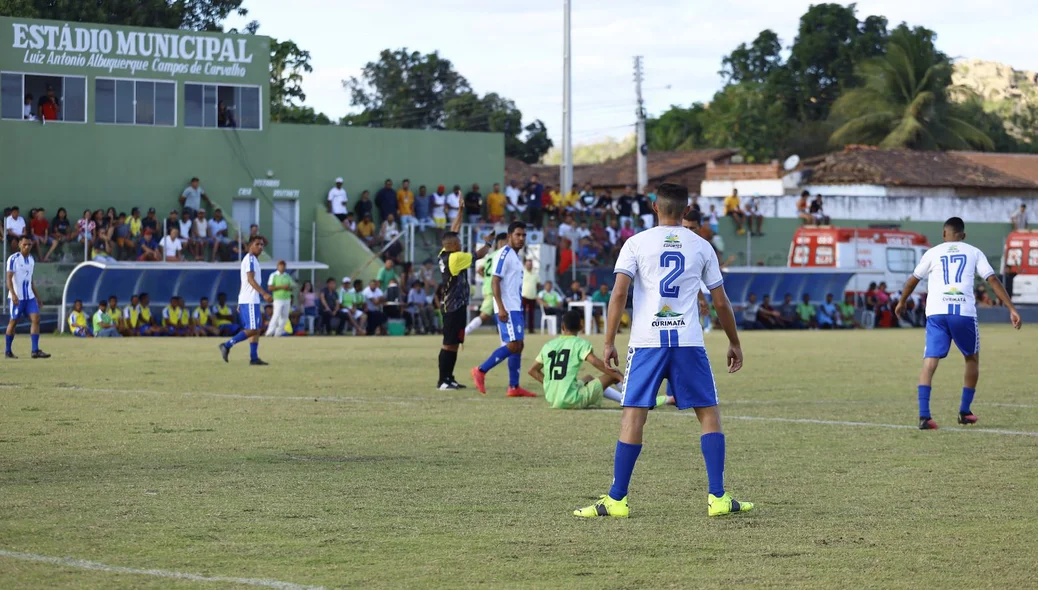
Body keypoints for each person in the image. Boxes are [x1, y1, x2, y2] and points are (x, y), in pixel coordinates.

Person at [573, 182, 752, 519]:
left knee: (633, 414)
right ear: (686, 211)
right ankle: (717, 497)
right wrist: (734, 341)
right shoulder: (702, 246)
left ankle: (617, 500)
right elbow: (719, 301)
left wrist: (609, 341)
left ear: (655, 207)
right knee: (708, 413)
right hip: (687, 341)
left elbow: (618, 294)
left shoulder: (635, 243)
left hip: (646, 342)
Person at [894, 216, 1022, 430]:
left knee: (930, 360)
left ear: (944, 234)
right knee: (971, 358)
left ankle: (924, 416)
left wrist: (901, 302)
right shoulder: (973, 251)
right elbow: (992, 279)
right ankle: (964, 411)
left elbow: (913, 280)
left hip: (936, 312)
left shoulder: (932, 253)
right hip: (963, 311)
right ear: (963, 236)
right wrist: (1011, 308)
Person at [471, 222, 537, 398]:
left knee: (519, 345)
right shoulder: (504, 254)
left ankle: (514, 387)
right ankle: (480, 370)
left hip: (516, 307)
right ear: (509, 236)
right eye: (518, 235)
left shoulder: (515, 256)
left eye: (524, 235)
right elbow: (495, 281)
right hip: (507, 308)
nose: (521, 238)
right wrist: (500, 307)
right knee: (513, 345)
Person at [436, 210, 494, 390]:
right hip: (453, 307)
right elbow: (481, 254)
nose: (461, 243)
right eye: (459, 242)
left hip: (455, 305)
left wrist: (461, 211)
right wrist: (489, 241)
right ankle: (442, 380)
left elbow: (453, 231)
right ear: (453, 245)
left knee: (453, 344)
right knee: (448, 344)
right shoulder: (456, 257)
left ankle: (449, 378)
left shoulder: (445, 253)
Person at [529, 310, 631, 409]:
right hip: (572, 399)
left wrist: (551, 384)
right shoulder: (579, 343)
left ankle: (625, 399)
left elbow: (532, 370)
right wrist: (617, 375)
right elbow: (594, 361)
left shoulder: (549, 345)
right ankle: (630, 402)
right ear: (581, 327)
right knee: (612, 375)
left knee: (588, 378)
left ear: (562, 327)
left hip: (553, 399)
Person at [219, 236, 273, 365]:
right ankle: (227, 345)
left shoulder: (253, 259)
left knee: (256, 329)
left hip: (249, 299)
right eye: (257, 244)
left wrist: (239, 301)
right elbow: (250, 279)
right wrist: (264, 293)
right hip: (250, 299)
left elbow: (243, 283)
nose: (260, 247)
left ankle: (254, 358)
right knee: (253, 329)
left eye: (262, 245)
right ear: (250, 246)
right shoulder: (250, 259)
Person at [5, 236, 51, 358]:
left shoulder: (31, 259)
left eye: (29, 245)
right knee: (13, 322)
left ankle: (35, 351)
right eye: (24, 244)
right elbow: (8, 279)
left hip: (29, 297)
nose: (27, 247)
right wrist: (13, 294)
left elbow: (30, 280)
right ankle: (8, 351)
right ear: (19, 244)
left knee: (36, 319)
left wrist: (37, 297)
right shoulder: (13, 259)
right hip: (17, 297)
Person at [465, 233, 508, 336]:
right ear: (501, 242)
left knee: (501, 313)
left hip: (488, 287)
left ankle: (505, 337)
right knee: (484, 315)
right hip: (495, 289)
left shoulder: (491, 256)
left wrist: (487, 278)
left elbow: (480, 269)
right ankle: (465, 332)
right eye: (507, 241)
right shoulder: (502, 256)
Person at [266, 260, 294, 337]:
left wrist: (289, 288)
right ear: (277, 267)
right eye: (280, 266)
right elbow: (270, 287)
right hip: (278, 298)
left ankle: (278, 332)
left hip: (287, 298)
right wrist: (282, 287)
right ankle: (269, 332)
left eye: (283, 266)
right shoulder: (273, 275)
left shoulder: (287, 276)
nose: (282, 267)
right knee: (276, 314)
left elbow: (291, 286)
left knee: (284, 316)